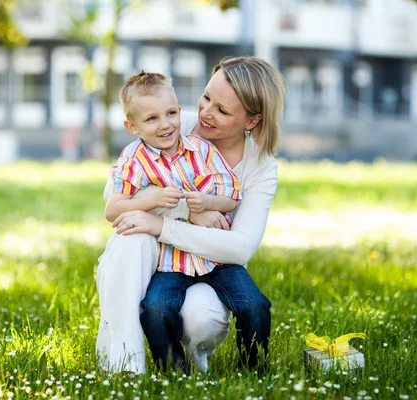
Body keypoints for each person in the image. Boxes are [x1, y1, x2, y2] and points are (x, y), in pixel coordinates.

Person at [100, 56, 285, 374]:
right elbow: (115, 196)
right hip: (164, 259)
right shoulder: (171, 125)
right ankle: (125, 362)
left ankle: (224, 366)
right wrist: (185, 210)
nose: (204, 113)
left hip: (212, 261)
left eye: (222, 110)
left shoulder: (261, 167)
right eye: (206, 97)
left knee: (205, 317)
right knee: (133, 241)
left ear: (251, 121)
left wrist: (166, 221)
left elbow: (239, 248)